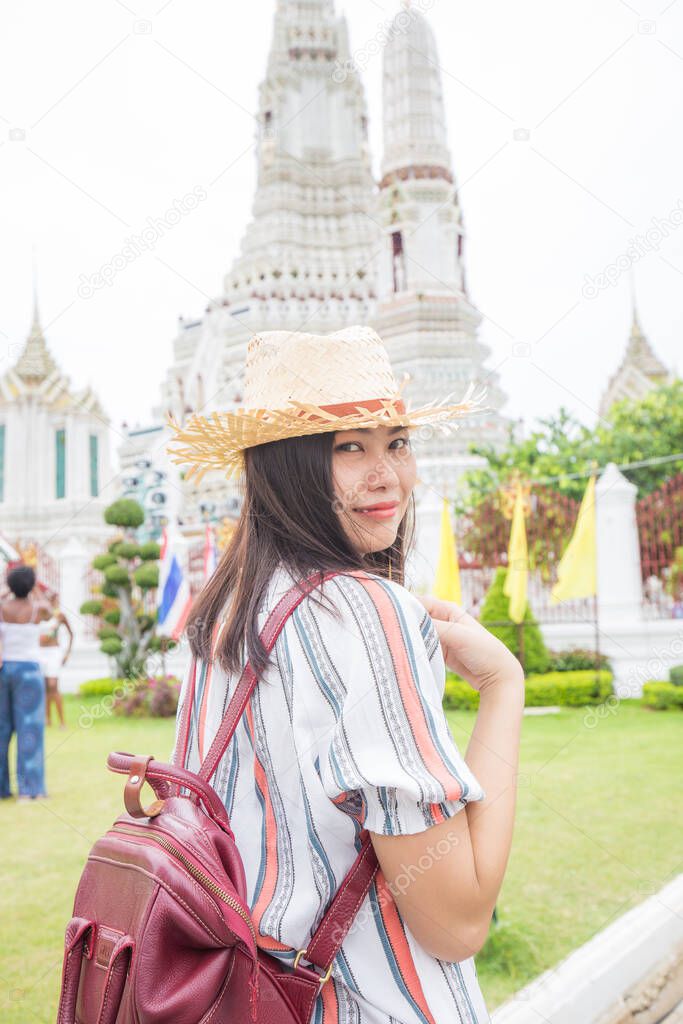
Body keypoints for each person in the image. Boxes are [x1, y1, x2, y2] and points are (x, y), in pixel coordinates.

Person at [168, 326, 525, 1023]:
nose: (386, 474)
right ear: (286, 467)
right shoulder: (363, 612)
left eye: (396, 442)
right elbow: (456, 922)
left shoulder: (231, 604)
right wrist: (503, 686)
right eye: (347, 446)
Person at [0, 565, 53, 800]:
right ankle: (29, 789)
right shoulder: (36, 609)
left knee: (2, 730)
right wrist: (36, 590)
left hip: (5, 669)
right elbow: (50, 611)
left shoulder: (2, 608)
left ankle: (2, 789)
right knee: (29, 729)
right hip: (29, 671)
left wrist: (6, 590)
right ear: (30, 585)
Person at [39, 596, 73, 729]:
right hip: (40, 653)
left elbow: (71, 634)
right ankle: (47, 719)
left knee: (53, 685)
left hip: (54, 652)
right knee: (45, 686)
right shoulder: (39, 614)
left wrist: (67, 653)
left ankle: (62, 721)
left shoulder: (59, 616)